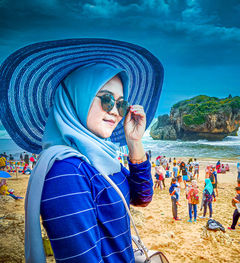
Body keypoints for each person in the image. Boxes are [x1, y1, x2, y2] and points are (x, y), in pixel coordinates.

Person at [0, 39, 165, 262]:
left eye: (121, 104)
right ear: (76, 98)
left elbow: (141, 197)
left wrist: (134, 142)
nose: (116, 112)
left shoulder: (98, 158)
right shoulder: (66, 172)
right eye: (106, 100)